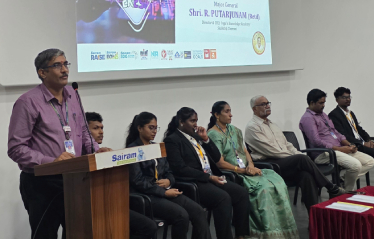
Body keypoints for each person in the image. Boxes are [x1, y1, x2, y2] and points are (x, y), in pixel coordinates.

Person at [7, 48, 152, 239]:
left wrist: (96, 150)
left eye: (65, 64)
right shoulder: (28, 102)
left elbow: (83, 131)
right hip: (42, 183)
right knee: (45, 235)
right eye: (57, 65)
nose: (64, 70)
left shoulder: (72, 94)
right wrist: (50, 161)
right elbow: (16, 148)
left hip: (74, 179)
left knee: (78, 232)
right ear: (42, 72)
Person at [207, 101, 299, 239]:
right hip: (233, 173)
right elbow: (219, 163)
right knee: (264, 189)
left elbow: (245, 151)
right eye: (227, 111)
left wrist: (250, 165)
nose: (231, 114)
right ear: (216, 115)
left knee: (278, 183)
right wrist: (243, 171)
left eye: (230, 111)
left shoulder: (235, 130)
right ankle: (262, 231)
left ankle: (281, 229)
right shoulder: (213, 134)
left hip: (248, 169)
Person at [244, 95, 346, 210]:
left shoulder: (272, 125)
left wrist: (298, 155)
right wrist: (297, 158)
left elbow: (287, 145)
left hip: (284, 162)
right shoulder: (252, 127)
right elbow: (271, 151)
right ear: (254, 109)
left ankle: (313, 215)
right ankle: (331, 187)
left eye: (268, 103)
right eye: (263, 104)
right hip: (270, 164)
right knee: (301, 159)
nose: (267, 106)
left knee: (306, 176)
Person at [164, 107, 250, 239]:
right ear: (181, 122)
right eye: (192, 121)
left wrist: (206, 139)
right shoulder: (172, 140)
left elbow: (216, 157)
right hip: (194, 182)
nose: (195, 124)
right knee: (223, 198)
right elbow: (180, 168)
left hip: (210, 177)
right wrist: (209, 177)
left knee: (241, 193)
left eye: (196, 121)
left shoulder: (196, 137)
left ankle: (241, 235)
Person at [126, 112, 211, 239]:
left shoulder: (157, 147)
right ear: (140, 128)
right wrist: (163, 192)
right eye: (151, 127)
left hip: (166, 190)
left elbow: (169, 171)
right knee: (181, 216)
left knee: (198, 211)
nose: (154, 131)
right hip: (149, 195)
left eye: (156, 128)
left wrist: (169, 181)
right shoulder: (132, 150)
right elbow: (137, 181)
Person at [83, 110, 159, 239]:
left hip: (113, 203)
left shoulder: (105, 153)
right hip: (93, 207)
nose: (101, 132)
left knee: (148, 226)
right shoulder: (80, 157)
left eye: (102, 128)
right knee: (147, 227)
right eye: (96, 128)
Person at [299, 89, 374, 192]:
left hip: (338, 149)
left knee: (369, 161)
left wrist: (349, 144)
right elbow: (316, 141)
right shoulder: (308, 118)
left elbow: (335, 132)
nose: (323, 105)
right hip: (324, 153)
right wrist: (339, 149)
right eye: (321, 103)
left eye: (324, 102)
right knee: (355, 165)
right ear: (312, 103)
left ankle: (342, 181)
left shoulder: (323, 115)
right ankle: (347, 191)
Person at [328, 87, 374, 188]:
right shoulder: (334, 115)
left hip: (363, 143)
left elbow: (359, 129)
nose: (348, 99)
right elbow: (343, 135)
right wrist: (363, 143)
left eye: (349, 97)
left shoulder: (350, 113)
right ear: (337, 100)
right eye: (344, 97)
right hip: (355, 146)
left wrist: (369, 140)